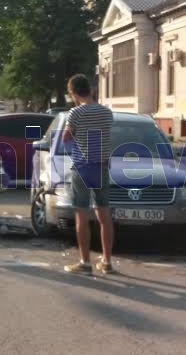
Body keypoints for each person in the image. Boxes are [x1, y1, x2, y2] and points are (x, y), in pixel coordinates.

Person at [61, 74, 116, 275]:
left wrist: (74, 146)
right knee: (104, 214)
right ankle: (107, 261)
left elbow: (66, 137)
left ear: (73, 92)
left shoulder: (75, 113)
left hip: (82, 167)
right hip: (101, 166)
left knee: (81, 215)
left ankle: (85, 262)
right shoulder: (106, 113)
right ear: (91, 90)